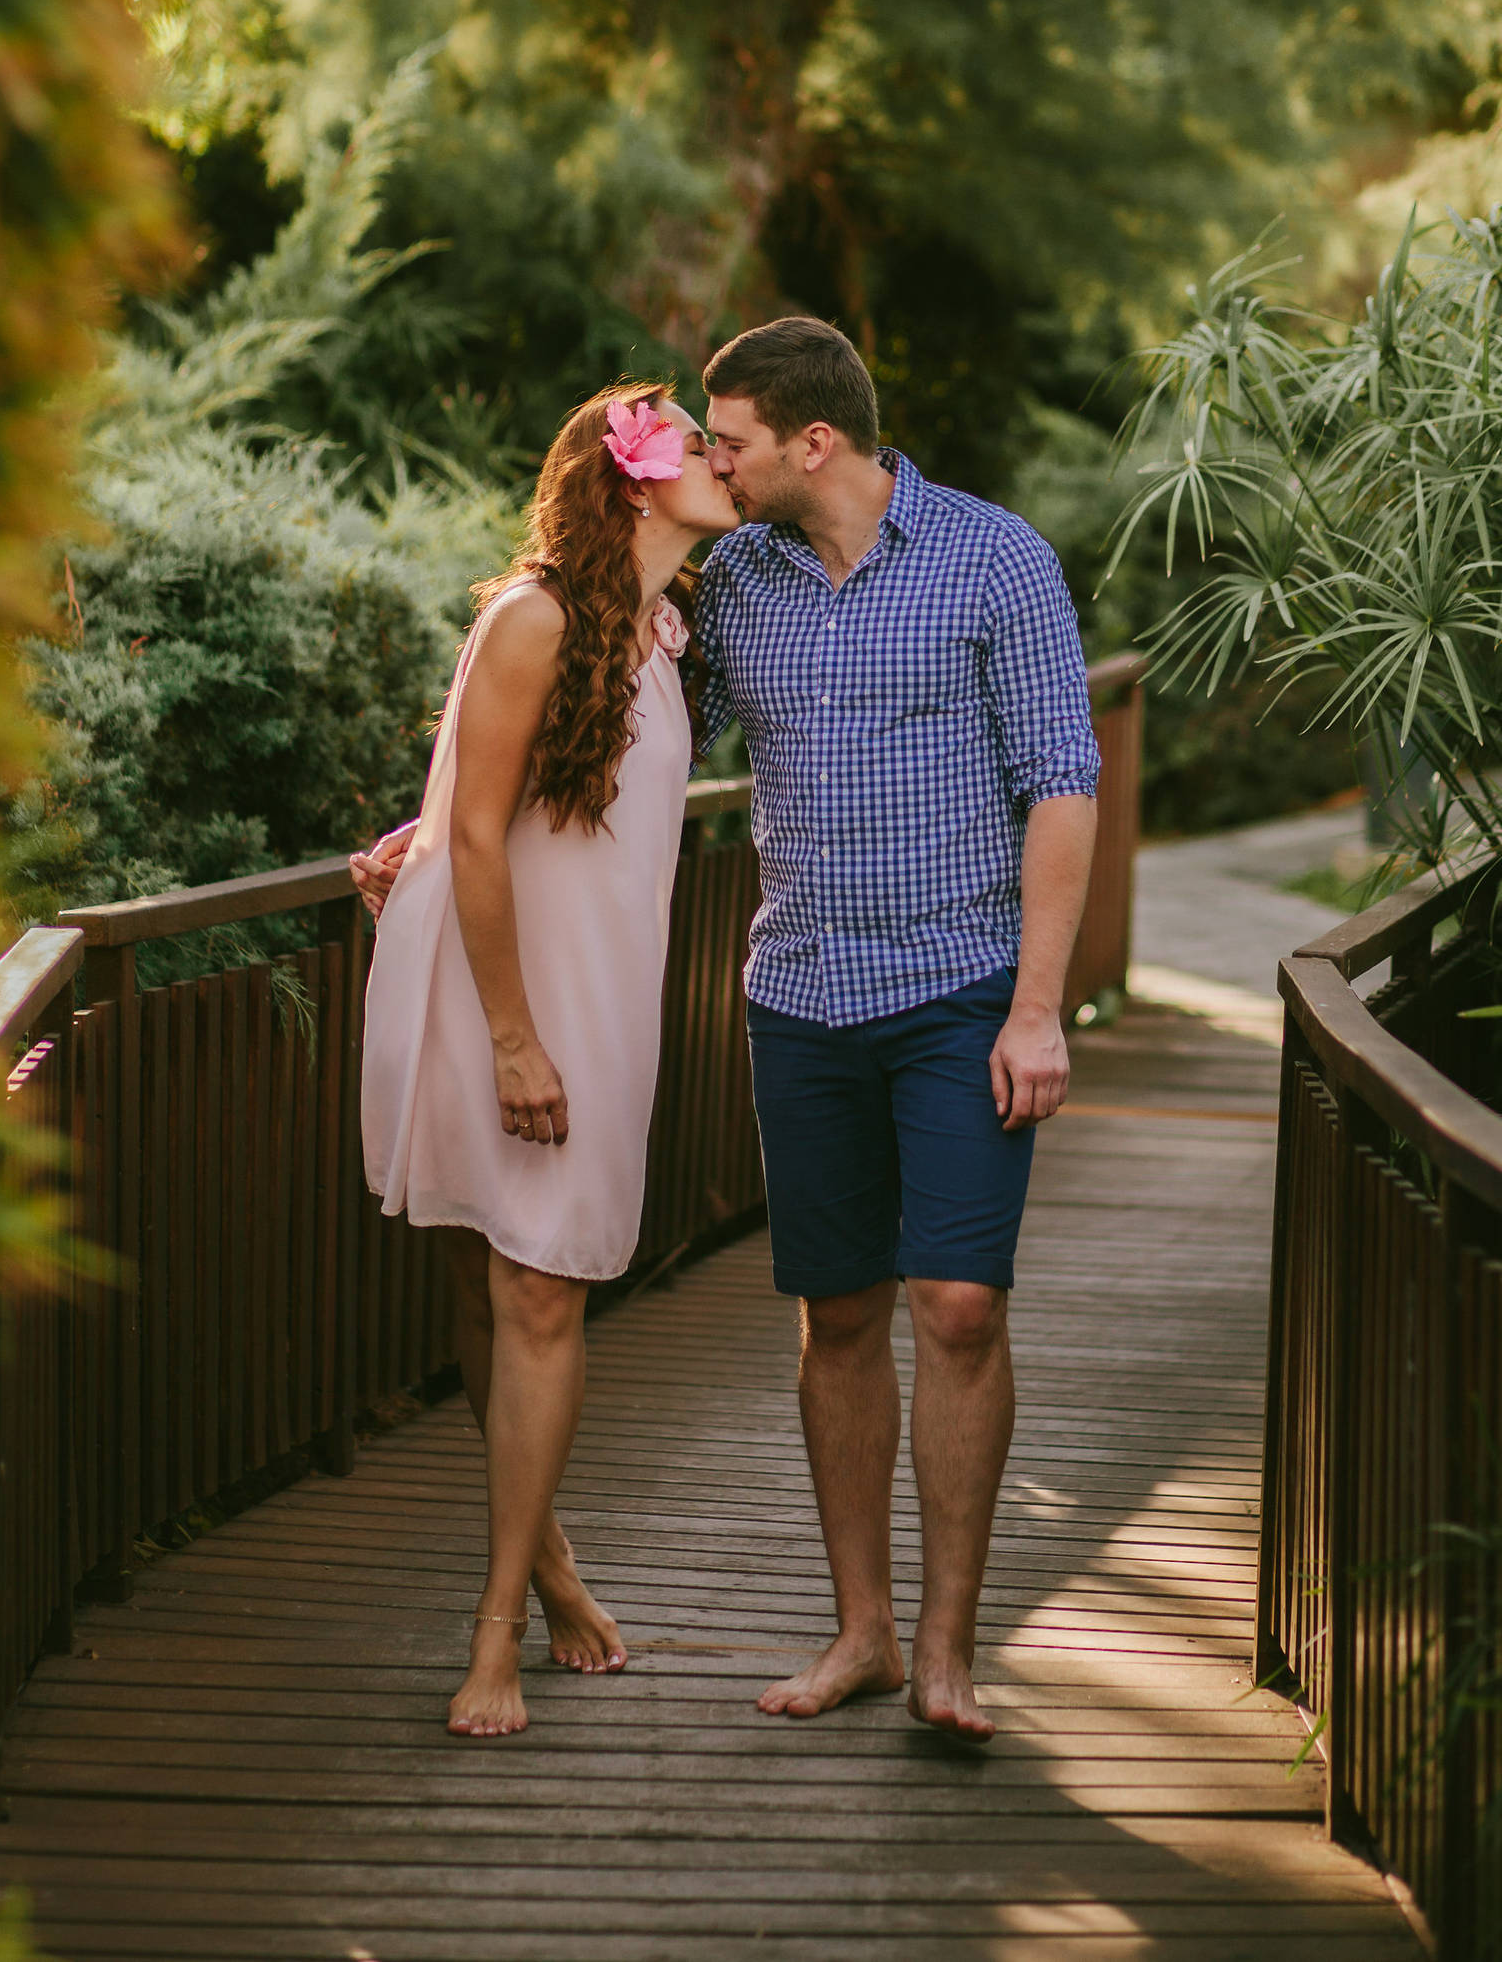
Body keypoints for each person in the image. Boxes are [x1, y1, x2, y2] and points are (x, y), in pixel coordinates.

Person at [356, 320, 1100, 1743]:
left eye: (732, 438)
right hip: (801, 995)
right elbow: (566, 722)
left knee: (957, 1304)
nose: (719, 460)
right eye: (698, 443)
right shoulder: (733, 586)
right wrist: (438, 834)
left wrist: (1040, 1005)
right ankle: (861, 1637)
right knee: (835, 1317)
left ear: (811, 441)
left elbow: (1064, 779)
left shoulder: (992, 560)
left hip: (961, 984)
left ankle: (946, 1655)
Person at [355, 381, 737, 1738]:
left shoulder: (664, 628)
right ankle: (502, 1626)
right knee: (494, 1275)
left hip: (597, 992)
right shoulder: (533, 616)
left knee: (541, 1286)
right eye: (698, 443)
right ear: (633, 477)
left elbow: (512, 811)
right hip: (490, 988)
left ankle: (541, 1567)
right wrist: (513, 1037)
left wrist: (429, 832)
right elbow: (474, 833)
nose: (721, 456)